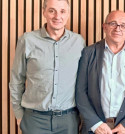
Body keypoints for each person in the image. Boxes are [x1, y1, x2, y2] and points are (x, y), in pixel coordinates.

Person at [9, 0, 85, 134]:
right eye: (52, 11)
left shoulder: (78, 42)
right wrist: (18, 114)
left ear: (68, 14)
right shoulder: (27, 40)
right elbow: (16, 80)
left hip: (68, 121)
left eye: (62, 11)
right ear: (44, 12)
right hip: (34, 120)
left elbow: (84, 82)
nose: (57, 16)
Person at [75, 10, 125, 134]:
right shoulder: (88, 53)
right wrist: (95, 123)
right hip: (95, 128)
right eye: (113, 23)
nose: (117, 28)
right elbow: (80, 91)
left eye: (123, 25)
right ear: (104, 27)